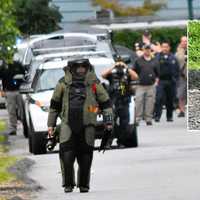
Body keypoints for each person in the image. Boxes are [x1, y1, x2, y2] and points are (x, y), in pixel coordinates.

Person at [47, 58, 113, 193]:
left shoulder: (94, 83)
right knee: (66, 154)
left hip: (88, 124)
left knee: (86, 156)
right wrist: (51, 125)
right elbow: (54, 105)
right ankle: (68, 184)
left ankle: (84, 185)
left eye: (83, 66)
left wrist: (109, 121)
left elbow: (106, 103)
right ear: (72, 68)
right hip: (67, 124)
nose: (81, 69)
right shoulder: (63, 83)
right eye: (78, 67)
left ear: (87, 67)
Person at [101, 59, 138, 147]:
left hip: (124, 101)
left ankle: (121, 142)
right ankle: (108, 142)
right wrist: (113, 66)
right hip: (113, 101)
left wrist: (126, 67)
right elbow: (103, 75)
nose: (119, 67)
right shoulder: (111, 74)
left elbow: (136, 77)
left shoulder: (127, 73)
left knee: (124, 123)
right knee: (110, 123)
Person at [133, 44, 160, 126]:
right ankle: (137, 119)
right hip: (140, 85)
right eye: (145, 49)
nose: (147, 51)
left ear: (150, 50)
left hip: (151, 85)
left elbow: (158, 73)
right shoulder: (138, 60)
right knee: (138, 102)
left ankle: (148, 119)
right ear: (143, 50)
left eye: (148, 49)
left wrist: (156, 82)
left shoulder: (154, 60)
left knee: (150, 103)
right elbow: (134, 71)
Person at [154, 41, 179, 122]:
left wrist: (176, 80)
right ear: (161, 47)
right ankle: (157, 116)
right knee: (159, 99)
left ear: (169, 48)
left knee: (170, 100)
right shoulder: (157, 57)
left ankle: (169, 116)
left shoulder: (173, 57)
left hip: (171, 81)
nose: (165, 48)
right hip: (160, 81)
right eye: (163, 46)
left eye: (166, 47)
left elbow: (177, 69)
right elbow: (153, 68)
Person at [0, 61, 24, 135]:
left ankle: (25, 126)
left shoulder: (18, 65)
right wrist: (2, 90)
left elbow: (24, 75)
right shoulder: (3, 67)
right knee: (11, 111)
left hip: (20, 91)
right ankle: (13, 128)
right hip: (9, 91)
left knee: (22, 111)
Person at [175, 36, 187, 117]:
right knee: (181, 95)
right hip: (182, 76)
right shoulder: (177, 53)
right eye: (183, 41)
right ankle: (182, 111)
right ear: (181, 42)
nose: (185, 43)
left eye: (186, 41)